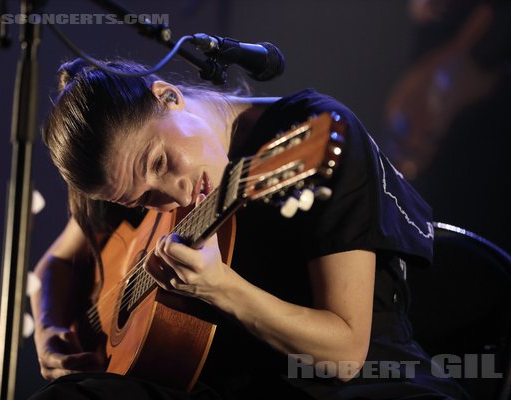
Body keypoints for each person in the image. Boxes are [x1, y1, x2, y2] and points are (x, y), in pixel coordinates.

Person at [29, 58, 470, 399]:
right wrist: (50, 329)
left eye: (161, 163)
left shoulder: (308, 129)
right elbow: (56, 265)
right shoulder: (125, 172)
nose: (175, 196)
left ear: (167, 96)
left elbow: (346, 355)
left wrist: (220, 287)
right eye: (141, 199)